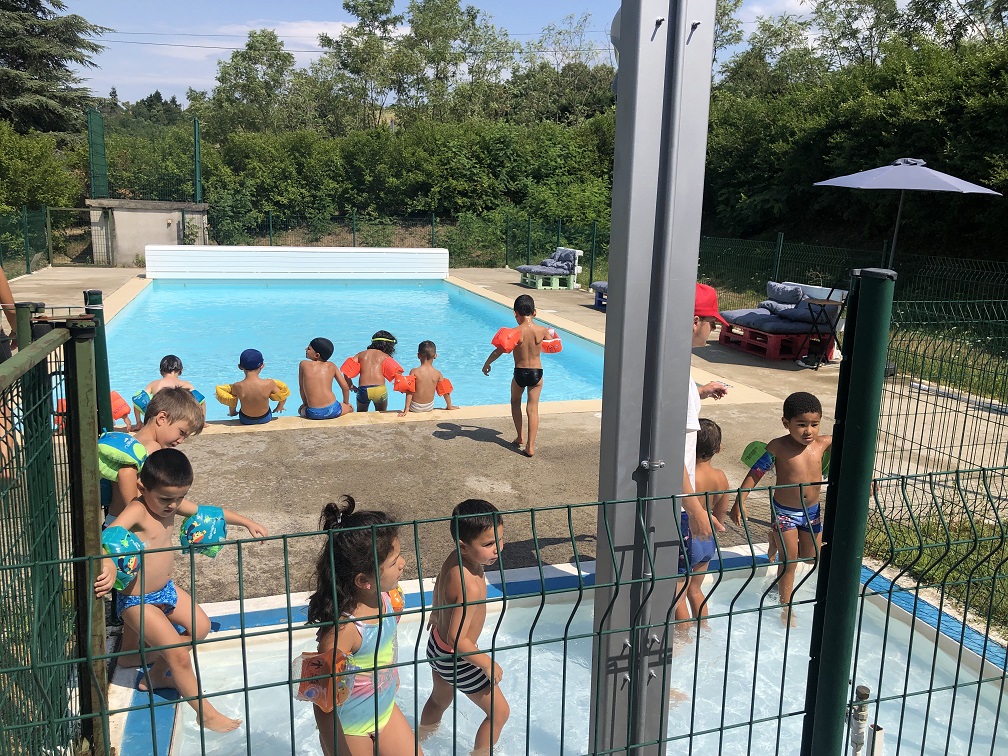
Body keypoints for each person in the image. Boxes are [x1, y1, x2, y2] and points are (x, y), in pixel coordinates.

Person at [94, 448, 268, 733]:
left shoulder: (172, 503)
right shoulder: (138, 509)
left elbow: (211, 512)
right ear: (142, 486)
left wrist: (247, 522)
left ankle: (159, 675)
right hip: (137, 600)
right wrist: (109, 565)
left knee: (201, 627)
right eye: (165, 498)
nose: (173, 506)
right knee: (178, 653)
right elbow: (108, 535)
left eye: (179, 498)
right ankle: (204, 712)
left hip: (166, 590)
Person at [305, 495, 419, 756]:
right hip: (350, 728)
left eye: (400, 555)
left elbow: (386, 644)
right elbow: (320, 701)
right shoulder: (343, 633)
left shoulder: (388, 597)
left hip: (384, 710)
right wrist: (337, 750)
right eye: (393, 562)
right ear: (363, 579)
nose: (402, 564)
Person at [730, 391, 832, 615]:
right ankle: (786, 607)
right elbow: (756, 472)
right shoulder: (778, 447)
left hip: (811, 511)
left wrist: (868, 479)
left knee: (812, 556)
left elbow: (852, 453)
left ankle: (773, 537)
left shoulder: (823, 443)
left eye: (815, 424)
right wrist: (740, 499)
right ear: (786, 423)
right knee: (790, 562)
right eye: (801, 424)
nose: (809, 431)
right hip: (785, 512)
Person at [420, 499, 509, 753]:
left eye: (500, 539)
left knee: (439, 699)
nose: (497, 549)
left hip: (436, 646)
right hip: (457, 657)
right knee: (499, 713)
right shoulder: (469, 584)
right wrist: (485, 662)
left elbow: (440, 588)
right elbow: (457, 640)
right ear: (464, 546)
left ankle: (420, 740)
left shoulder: (454, 559)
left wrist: (437, 614)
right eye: (488, 544)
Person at [481, 294, 554, 457]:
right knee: (533, 409)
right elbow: (553, 346)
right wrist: (551, 334)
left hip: (520, 372)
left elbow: (498, 350)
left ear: (515, 313)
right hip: (537, 373)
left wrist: (487, 363)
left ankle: (520, 436)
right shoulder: (542, 331)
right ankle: (530, 446)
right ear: (535, 312)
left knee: (515, 401)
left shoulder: (514, 332)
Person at [677, 419, 731, 623]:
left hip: (688, 535)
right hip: (707, 540)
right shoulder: (720, 477)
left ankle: (683, 637)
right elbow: (720, 514)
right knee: (696, 590)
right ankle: (703, 628)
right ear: (719, 449)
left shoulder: (688, 478)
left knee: (678, 597)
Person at [215, 348, 290, 425]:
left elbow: (232, 402)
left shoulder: (237, 386)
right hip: (265, 418)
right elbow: (282, 396)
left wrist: (232, 413)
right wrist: (280, 406)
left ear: (240, 367)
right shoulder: (269, 383)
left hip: (245, 419)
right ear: (262, 366)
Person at [132, 354, 205, 429]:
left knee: (139, 397)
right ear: (181, 371)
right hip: (181, 416)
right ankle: (202, 423)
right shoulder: (186, 384)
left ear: (160, 371)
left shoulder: (155, 384)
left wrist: (139, 421)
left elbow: (139, 400)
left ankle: (139, 423)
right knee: (200, 399)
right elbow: (201, 401)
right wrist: (202, 421)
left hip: (160, 417)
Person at [342, 331, 402, 413]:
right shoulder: (385, 356)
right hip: (379, 389)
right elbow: (398, 374)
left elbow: (346, 371)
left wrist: (350, 385)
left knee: (361, 414)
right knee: (382, 413)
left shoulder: (361, 355)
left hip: (363, 390)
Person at [297, 337, 354, 420]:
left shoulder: (303, 364)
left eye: (309, 348)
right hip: (333, 409)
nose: (305, 349)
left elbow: (302, 388)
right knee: (350, 408)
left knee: (300, 410)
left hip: (313, 413)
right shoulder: (331, 365)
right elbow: (345, 387)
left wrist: (305, 404)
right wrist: (346, 403)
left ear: (317, 355)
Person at [397, 340, 458, 416]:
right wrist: (449, 406)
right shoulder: (437, 373)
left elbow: (410, 391)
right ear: (435, 355)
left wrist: (406, 409)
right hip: (429, 407)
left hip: (415, 407)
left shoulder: (414, 371)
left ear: (418, 356)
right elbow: (445, 392)